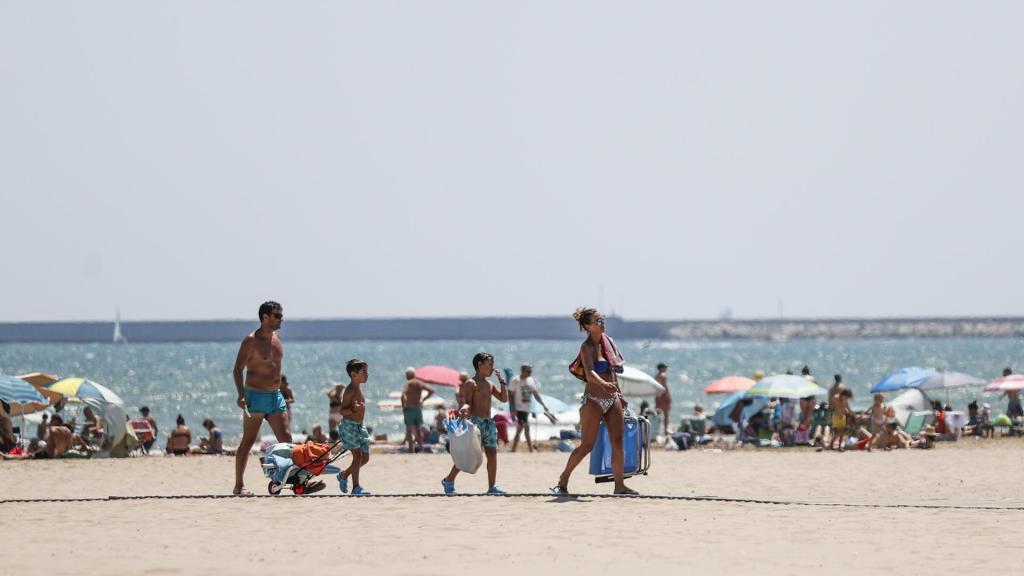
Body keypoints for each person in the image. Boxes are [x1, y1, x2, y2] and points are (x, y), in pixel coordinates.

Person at [554, 307, 637, 496]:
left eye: (602, 319)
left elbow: (613, 371)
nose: (602, 323)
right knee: (587, 445)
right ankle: (564, 477)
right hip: (593, 399)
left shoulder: (609, 343)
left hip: (612, 398)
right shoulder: (587, 347)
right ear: (587, 326)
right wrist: (603, 384)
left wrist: (620, 395)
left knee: (617, 441)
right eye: (597, 321)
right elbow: (590, 373)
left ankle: (619, 486)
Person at [231, 300, 292, 496]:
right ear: (265, 318)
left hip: (275, 396)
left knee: (287, 440)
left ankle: (284, 480)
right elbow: (238, 368)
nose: (281, 319)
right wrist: (241, 394)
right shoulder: (251, 340)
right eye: (277, 315)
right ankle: (239, 486)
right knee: (248, 442)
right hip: (255, 397)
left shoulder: (276, 338)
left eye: (281, 315)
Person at [442, 352, 509, 495]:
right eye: (490, 364)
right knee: (468, 455)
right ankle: (449, 479)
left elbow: (504, 399)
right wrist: (464, 409)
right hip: (475, 423)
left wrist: (502, 382)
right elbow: (467, 403)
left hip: (488, 423)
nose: (492, 368)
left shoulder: (490, 384)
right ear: (480, 365)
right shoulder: (471, 383)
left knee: (492, 454)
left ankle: (492, 487)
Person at [336, 359, 372, 495]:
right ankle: (356, 487)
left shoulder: (358, 388)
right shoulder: (350, 390)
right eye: (364, 372)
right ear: (353, 374)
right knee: (357, 457)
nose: (367, 374)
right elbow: (342, 411)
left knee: (365, 458)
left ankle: (344, 475)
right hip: (349, 426)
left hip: (359, 427)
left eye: (367, 372)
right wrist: (353, 409)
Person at [510, 364, 550, 453]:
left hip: (527, 409)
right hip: (519, 409)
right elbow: (510, 395)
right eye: (528, 371)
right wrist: (512, 409)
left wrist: (543, 404)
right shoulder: (515, 380)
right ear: (523, 371)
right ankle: (530, 449)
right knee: (526, 428)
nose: (530, 373)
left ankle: (513, 449)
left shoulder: (530, 380)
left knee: (520, 430)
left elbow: (535, 393)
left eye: (531, 371)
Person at [400, 367, 436, 454]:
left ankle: (411, 449)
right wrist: (423, 400)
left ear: (408, 375)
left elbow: (403, 395)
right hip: (418, 408)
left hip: (409, 408)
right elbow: (431, 391)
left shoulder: (408, 383)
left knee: (409, 430)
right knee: (418, 430)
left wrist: (404, 405)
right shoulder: (419, 383)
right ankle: (421, 449)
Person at [654, 363, 672, 436]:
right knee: (666, 415)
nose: (666, 369)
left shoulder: (656, 376)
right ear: (661, 368)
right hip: (663, 396)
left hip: (658, 396)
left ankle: (656, 431)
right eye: (665, 368)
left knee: (657, 415)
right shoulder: (663, 376)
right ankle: (665, 431)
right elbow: (665, 387)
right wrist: (668, 397)